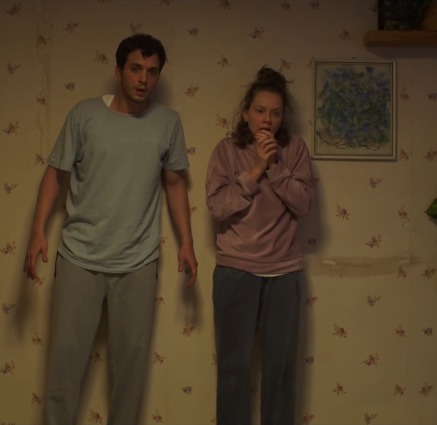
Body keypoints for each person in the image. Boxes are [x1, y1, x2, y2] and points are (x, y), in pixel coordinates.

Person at [24, 34, 198, 425]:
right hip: (79, 257)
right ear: (119, 71)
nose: (143, 79)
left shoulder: (168, 122)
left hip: (138, 262)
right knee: (66, 363)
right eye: (136, 69)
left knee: (131, 368)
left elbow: (174, 184)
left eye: (152, 72)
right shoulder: (84, 114)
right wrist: (37, 232)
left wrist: (187, 243)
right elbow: (55, 174)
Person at [205, 67, 314, 425]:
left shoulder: (295, 149)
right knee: (233, 368)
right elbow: (218, 207)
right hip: (235, 270)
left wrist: (275, 168)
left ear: (283, 117)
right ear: (246, 113)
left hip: (284, 272)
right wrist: (255, 170)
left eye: (276, 113)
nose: (267, 119)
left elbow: (303, 204)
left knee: (280, 370)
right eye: (260, 111)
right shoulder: (227, 150)